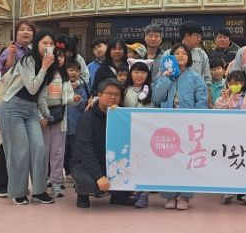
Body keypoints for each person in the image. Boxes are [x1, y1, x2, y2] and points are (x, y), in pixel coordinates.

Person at [0, 30, 56, 205]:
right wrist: (44, 67)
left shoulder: (50, 66)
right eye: (44, 43)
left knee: (39, 148)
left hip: (31, 110)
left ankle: (39, 191)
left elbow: (40, 96)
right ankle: (18, 192)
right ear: (36, 44)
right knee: (20, 150)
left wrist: (48, 115)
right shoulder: (27, 61)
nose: (48, 47)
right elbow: (32, 87)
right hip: (12, 108)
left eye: (51, 44)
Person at [152, 43, 208, 210]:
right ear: (171, 57)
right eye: (176, 53)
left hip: (188, 126)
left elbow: (201, 102)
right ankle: (169, 196)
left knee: (187, 160)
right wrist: (166, 78)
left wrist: (196, 123)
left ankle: (185, 196)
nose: (180, 56)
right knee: (168, 158)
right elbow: (156, 98)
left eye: (184, 53)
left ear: (189, 57)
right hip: (167, 124)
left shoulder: (195, 78)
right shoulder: (164, 76)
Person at [72, 78, 136, 208]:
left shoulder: (121, 115)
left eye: (117, 94)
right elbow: (85, 150)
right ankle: (82, 193)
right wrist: (99, 176)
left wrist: (119, 116)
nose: (113, 97)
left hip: (110, 161)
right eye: (109, 93)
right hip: (83, 163)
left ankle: (118, 196)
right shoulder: (87, 118)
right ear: (99, 95)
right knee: (89, 182)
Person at [0, 19, 36, 198]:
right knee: (9, 145)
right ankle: (2, 185)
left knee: (16, 145)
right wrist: (10, 57)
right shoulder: (10, 50)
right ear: (15, 34)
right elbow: (2, 73)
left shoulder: (30, 52)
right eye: (22, 30)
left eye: (29, 30)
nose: (26, 32)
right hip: (7, 104)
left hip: (23, 105)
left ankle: (12, 183)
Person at [41, 45, 80, 198]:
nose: (59, 59)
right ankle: (41, 182)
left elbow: (68, 99)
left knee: (57, 152)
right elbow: (37, 98)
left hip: (59, 118)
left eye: (62, 56)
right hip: (43, 119)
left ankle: (56, 182)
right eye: (56, 55)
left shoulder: (65, 77)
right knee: (43, 152)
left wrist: (74, 99)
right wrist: (42, 117)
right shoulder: (42, 74)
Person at [215, 70, 246, 206]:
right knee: (230, 164)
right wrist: (223, 99)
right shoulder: (224, 98)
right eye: (231, 83)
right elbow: (217, 112)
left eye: (237, 83)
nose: (233, 85)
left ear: (243, 84)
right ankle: (229, 191)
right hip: (229, 138)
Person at [121, 59, 154, 209]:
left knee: (146, 162)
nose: (139, 75)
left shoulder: (152, 90)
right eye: (136, 72)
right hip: (128, 132)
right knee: (132, 162)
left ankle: (144, 194)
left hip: (147, 133)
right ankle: (135, 190)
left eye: (143, 72)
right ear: (130, 73)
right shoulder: (124, 90)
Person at [162, 20, 211, 91]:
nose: (199, 39)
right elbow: (161, 77)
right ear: (186, 35)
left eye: (200, 37)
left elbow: (207, 80)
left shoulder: (201, 54)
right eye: (197, 36)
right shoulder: (168, 54)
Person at [63, 60, 89, 181]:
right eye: (70, 70)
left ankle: (75, 172)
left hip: (76, 126)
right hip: (62, 126)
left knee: (75, 150)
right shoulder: (61, 85)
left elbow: (84, 105)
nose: (74, 73)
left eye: (77, 70)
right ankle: (65, 172)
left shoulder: (81, 88)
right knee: (62, 151)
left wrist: (77, 99)